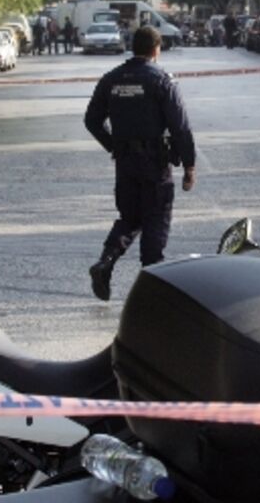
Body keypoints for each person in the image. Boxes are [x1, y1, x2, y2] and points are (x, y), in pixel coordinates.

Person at [83, 25, 196, 301]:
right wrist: (189, 165)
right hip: (154, 163)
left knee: (130, 217)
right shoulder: (161, 80)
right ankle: (152, 285)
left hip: (125, 163)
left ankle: (105, 262)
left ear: (133, 47)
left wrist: (114, 145)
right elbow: (180, 127)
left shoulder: (111, 79)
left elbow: (92, 120)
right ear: (157, 49)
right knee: (156, 217)